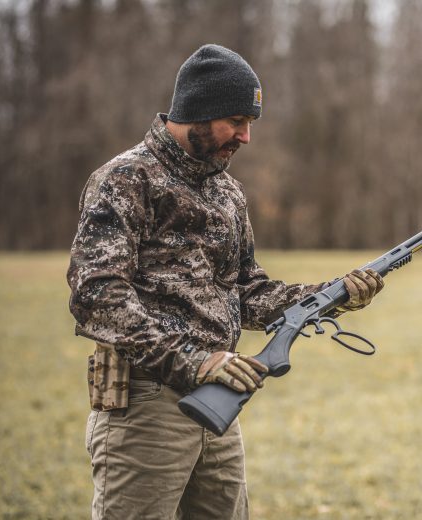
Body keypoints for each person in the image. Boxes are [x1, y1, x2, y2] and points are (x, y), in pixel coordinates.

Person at [67, 44, 384, 520]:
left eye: (250, 122)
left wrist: (333, 295)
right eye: (236, 120)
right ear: (197, 110)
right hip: (145, 408)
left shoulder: (226, 191)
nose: (246, 136)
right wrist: (194, 362)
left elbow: (248, 292)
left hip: (219, 407)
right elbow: (96, 295)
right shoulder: (126, 179)